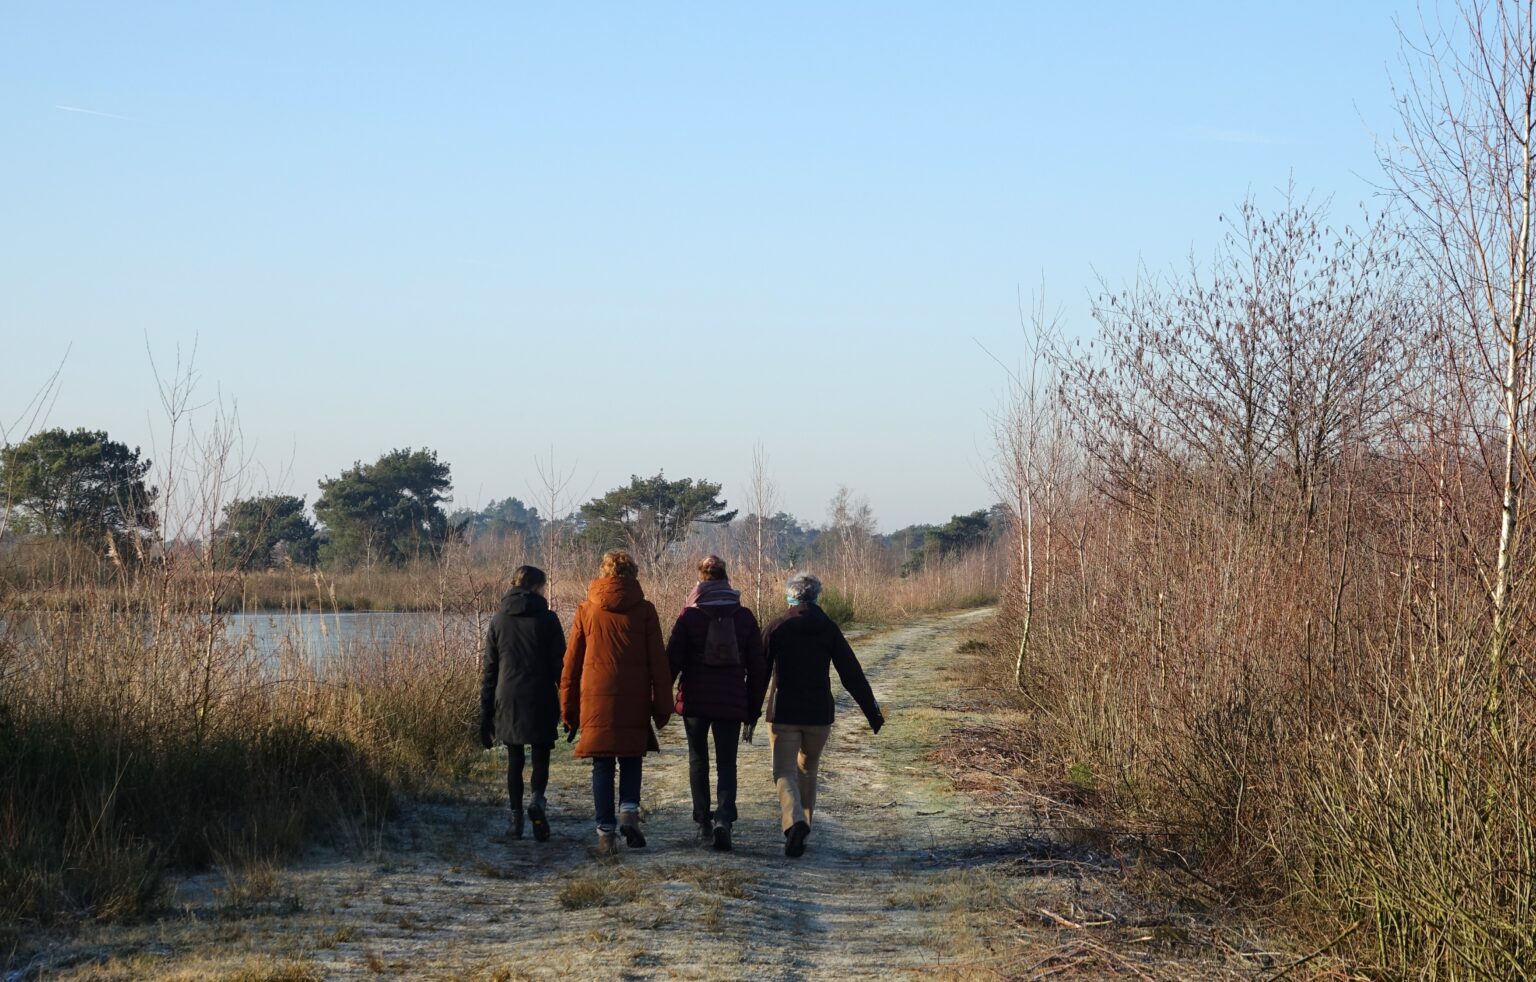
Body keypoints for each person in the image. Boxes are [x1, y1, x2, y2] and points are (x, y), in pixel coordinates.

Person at [761, 571, 885, 858]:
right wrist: (872, 712)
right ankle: (804, 828)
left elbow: (759, 672)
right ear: (817, 595)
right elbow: (851, 673)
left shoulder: (777, 626)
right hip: (818, 715)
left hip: (784, 714)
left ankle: (794, 822)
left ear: (791, 595)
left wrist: (746, 711)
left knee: (783, 771)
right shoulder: (828, 627)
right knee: (808, 769)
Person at [560, 549, 672, 855]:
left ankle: (606, 836)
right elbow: (658, 662)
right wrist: (664, 707)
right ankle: (628, 811)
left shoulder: (586, 609)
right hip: (634, 694)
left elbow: (571, 662)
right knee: (632, 755)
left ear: (604, 571)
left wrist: (568, 708)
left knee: (602, 762)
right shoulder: (645, 610)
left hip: (595, 695)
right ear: (633, 572)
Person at [665, 555, 768, 852]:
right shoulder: (744, 616)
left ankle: (703, 822)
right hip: (731, 700)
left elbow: (671, 661)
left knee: (698, 760)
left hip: (695, 699)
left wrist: (658, 700)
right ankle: (724, 818)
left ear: (700, 580)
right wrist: (753, 705)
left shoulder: (688, 617)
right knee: (727, 762)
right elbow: (758, 668)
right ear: (726, 579)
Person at [479, 565, 566, 841]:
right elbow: (560, 668)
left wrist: (485, 714)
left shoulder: (498, 621)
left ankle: (516, 820)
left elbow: (490, 670)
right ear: (536, 587)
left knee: (514, 759)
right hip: (540, 695)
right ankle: (538, 801)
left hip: (508, 696)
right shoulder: (549, 620)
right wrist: (569, 707)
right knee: (541, 756)